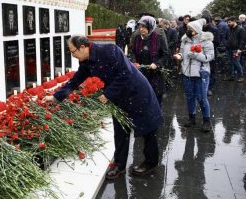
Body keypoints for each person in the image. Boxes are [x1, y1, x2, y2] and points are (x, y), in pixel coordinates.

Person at [43, 35, 163, 179]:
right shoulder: (86, 61)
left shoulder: (109, 50)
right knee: (120, 130)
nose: (72, 55)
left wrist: (108, 94)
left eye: (72, 51)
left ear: (82, 47)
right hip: (119, 98)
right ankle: (119, 165)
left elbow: (126, 73)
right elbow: (76, 80)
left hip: (136, 92)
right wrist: (56, 97)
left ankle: (151, 162)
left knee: (147, 129)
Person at [173, 18, 215, 132]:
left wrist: (195, 55)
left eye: (190, 28)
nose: (188, 30)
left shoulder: (206, 41)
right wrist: (179, 56)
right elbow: (182, 52)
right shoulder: (185, 40)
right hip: (187, 73)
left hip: (201, 74)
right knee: (190, 97)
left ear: (196, 30)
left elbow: (209, 57)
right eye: (187, 28)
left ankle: (207, 121)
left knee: (201, 98)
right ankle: (192, 118)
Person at [131, 16, 170, 105]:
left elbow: (166, 55)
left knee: (155, 100)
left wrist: (157, 64)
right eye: (140, 27)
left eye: (144, 27)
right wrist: (134, 62)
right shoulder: (137, 38)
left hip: (155, 75)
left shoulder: (158, 38)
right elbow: (132, 52)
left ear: (150, 26)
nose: (141, 29)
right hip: (141, 73)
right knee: (142, 99)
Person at [224, 16, 245, 82]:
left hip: (236, 49)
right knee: (230, 63)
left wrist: (239, 49)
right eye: (227, 22)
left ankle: (241, 76)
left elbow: (242, 40)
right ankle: (231, 76)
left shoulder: (240, 29)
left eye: (229, 22)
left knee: (236, 62)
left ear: (234, 21)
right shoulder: (229, 29)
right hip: (228, 49)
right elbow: (226, 38)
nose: (228, 23)